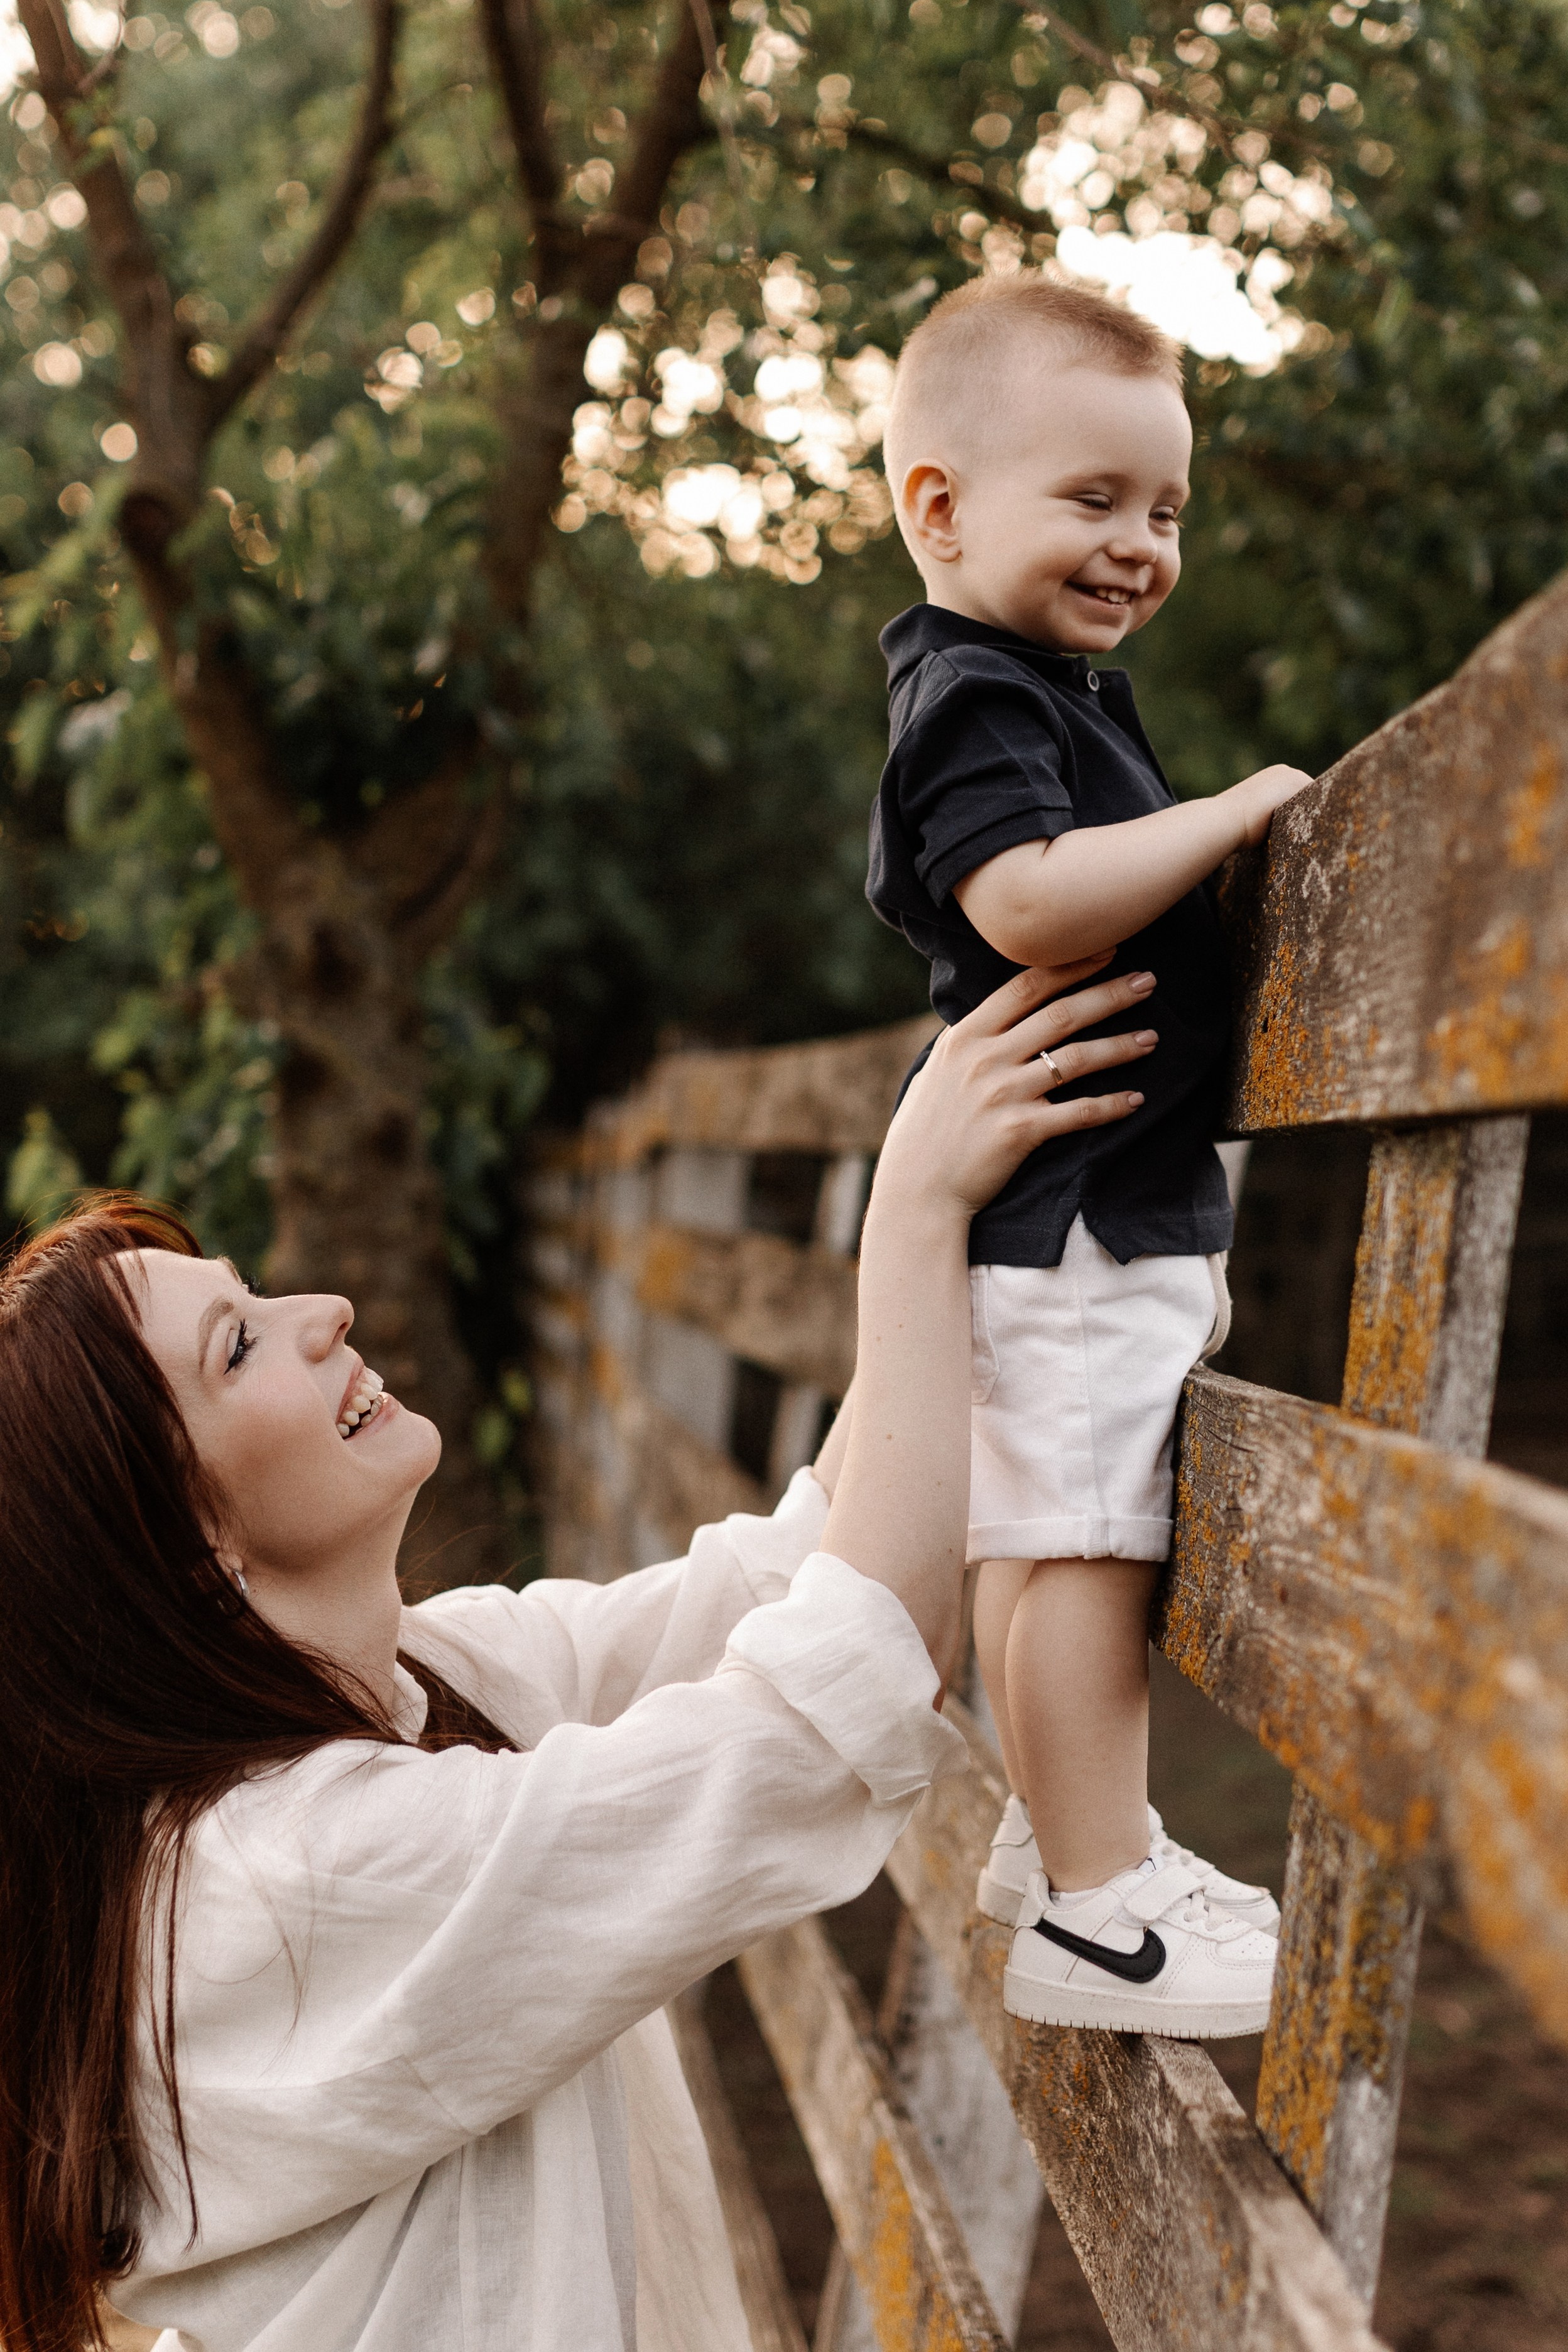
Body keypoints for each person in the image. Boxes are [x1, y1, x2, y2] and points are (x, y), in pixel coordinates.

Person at [0, 960, 1150, 2352]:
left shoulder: (424, 1683)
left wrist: (976, 1214)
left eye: (254, 1292)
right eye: (240, 1347)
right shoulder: (284, 1882)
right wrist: (913, 1210)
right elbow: (838, 1688)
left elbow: (788, 1578)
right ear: (183, 1556)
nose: (325, 1317)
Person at [866, 273, 1310, 2036]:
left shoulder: (1036, 683)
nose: (1142, 543)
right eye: (1097, 499)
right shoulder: (978, 700)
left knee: (1053, 1533)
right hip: (1070, 1215)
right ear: (941, 508)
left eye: (1168, 509)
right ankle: (1103, 1905)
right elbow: (1027, 901)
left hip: (1078, 1207)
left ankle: (1055, 1850)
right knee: (1091, 1542)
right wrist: (1227, 817)